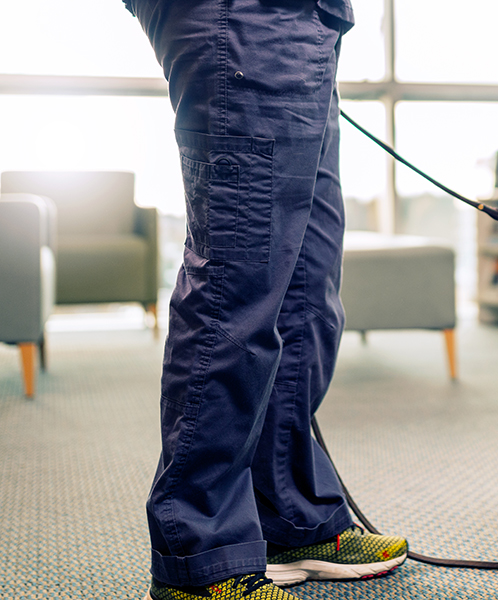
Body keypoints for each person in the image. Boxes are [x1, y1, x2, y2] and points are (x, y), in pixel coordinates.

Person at [123, 1, 408, 599]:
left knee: (307, 292)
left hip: (305, 22)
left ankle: (290, 515)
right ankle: (201, 554)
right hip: (245, 17)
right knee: (237, 287)